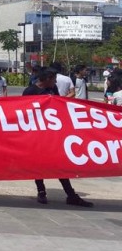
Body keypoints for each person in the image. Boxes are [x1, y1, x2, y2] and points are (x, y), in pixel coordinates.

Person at [23, 68, 92, 207]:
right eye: (53, 78)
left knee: (59, 163)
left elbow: (57, 104)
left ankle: (70, 195)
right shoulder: (29, 91)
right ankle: (41, 191)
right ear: (47, 78)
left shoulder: (52, 88)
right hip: (37, 134)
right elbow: (23, 112)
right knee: (38, 164)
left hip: (52, 133)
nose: (55, 81)